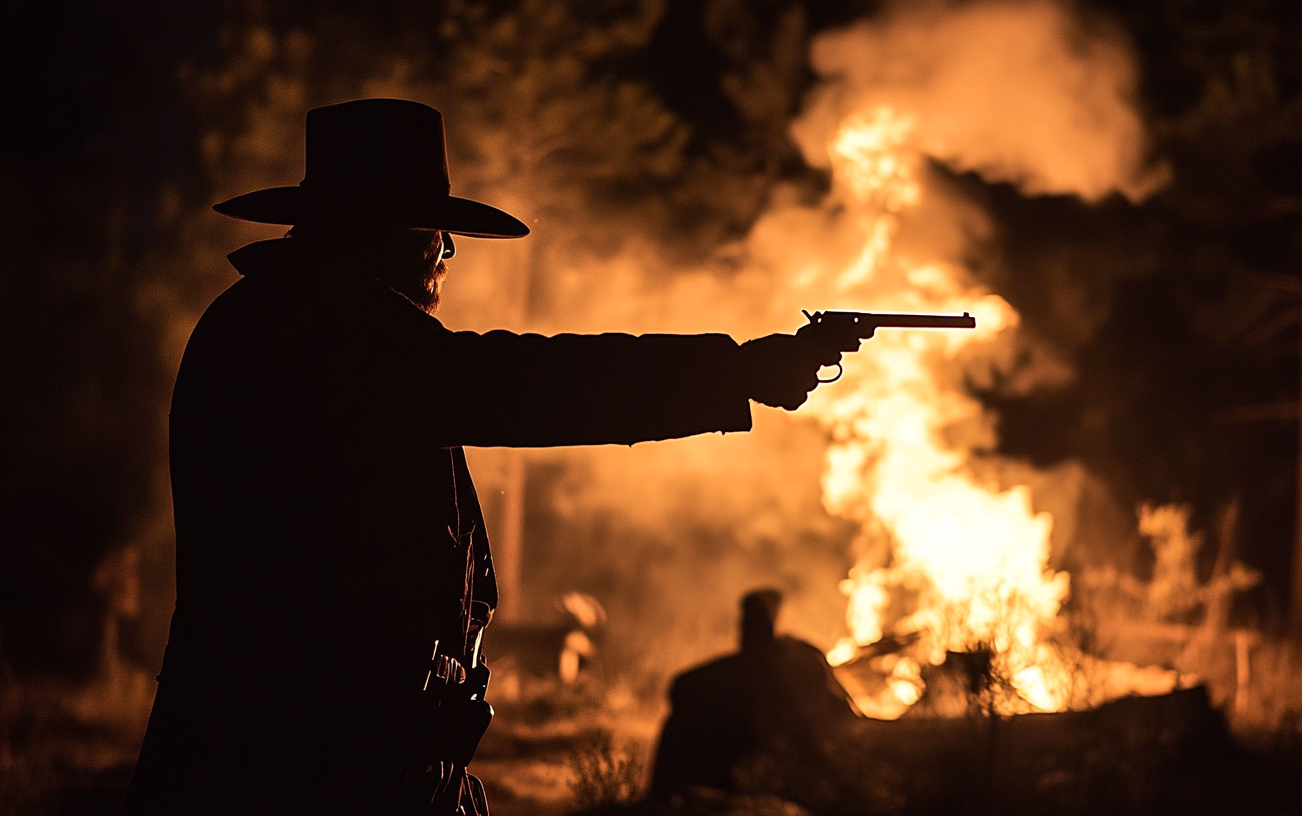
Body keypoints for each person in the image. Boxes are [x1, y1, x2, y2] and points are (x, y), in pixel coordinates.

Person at [122, 99, 846, 815]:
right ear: (384, 232)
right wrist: (735, 373)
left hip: (320, 758)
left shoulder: (281, 319)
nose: (448, 252)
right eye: (436, 231)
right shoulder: (328, 335)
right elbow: (527, 386)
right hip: (301, 770)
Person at [650, 589, 858, 807]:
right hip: (756, 772)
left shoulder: (790, 665)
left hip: (748, 770)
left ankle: (656, 803)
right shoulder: (789, 668)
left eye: (748, 624)